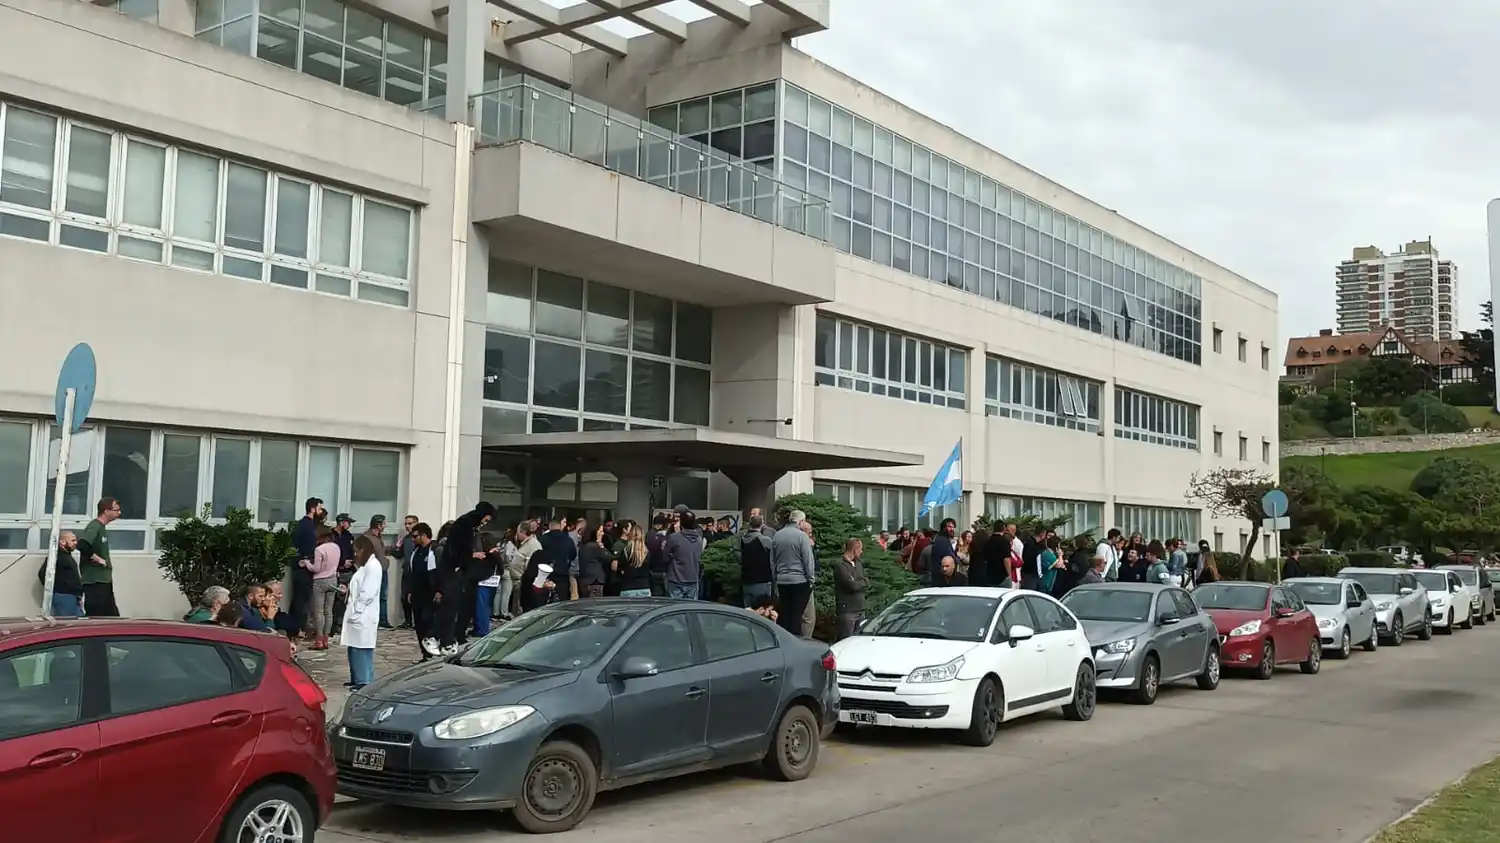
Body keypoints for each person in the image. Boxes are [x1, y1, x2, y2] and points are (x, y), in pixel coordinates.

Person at [447, 502, 496, 645]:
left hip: (472, 575)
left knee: (468, 606)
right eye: (485, 520)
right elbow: (459, 552)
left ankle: (460, 633)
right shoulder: (465, 528)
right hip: (463, 574)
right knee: (462, 607)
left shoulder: (475, 532)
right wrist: (472, 555)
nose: (484, 524)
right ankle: (456, 634)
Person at [342, 536, 384, 689]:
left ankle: (364, 680)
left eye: (357, 551)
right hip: (357, 612)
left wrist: (357, 612)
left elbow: (368, 592)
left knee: (362, 648)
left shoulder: (373, 566)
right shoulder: (364, 566)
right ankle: (357, 678)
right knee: (354, 647)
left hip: (363, 613)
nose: (355, 555)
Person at [772, 510, 816, 636]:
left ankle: (783, 639)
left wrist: (776, 578)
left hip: (782, 580)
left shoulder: (777, 536)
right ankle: (796, 642)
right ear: (800, 522)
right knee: (797, 616)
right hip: (799, 581)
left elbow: (773, 561)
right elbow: (808, 560)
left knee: (785, 615)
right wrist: (811, 579)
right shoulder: (802, 537)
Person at [78, 497, 123, 617]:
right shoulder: (95, 526)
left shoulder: (102, 528)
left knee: (112, 615)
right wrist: (97, 559)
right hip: (95, 581)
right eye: (116, 510)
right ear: (106, 511)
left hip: (104, 580)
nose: (119, 513)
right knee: (96, 615)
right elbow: (82, 544)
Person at [289, 497, 324, 638]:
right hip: (304, 568)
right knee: (302, 600)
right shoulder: (308, 526)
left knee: (298, 599)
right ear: (313, 509)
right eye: (320, 508)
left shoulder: (303, 524)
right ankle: (298, 629)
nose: (321, 511)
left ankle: (294, 627)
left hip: (299, 566)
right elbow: (309, 548)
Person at [408, 523, 440, 659]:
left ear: (424, 535)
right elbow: (412, 573)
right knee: (420, 626)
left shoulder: (435, 550)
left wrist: (439, 591)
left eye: (415, 536)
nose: (413, 539)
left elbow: (440, 573)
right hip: (417, 594)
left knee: (430, 625)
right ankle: (425, 654)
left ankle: (434, 653)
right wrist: (409, 591)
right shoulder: (416, 551)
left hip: (430, 594)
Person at [309, 525, 341, 650]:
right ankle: (326, 639)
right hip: (333, 579)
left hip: (320, 581)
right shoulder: (336, 547)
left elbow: (316, 568)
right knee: (329, 611)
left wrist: (307, 563)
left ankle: (319, 640)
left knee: (319, 612)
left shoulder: (319, 549)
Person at [39, 531, 84, 618]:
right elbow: (43, 573)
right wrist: (58, 588)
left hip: (72, 597)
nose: (76, 543)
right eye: (72, 540)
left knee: (77, 622)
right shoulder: (57, 556)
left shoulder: (66, 556)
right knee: (69, 624)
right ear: (62, 542)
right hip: (65, 597)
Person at [833, 537, 869, 641]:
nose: (861, 552)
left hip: (860, 609)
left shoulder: (859, 563)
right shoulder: (840, 565)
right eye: (860, 549)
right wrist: (860, 582)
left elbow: (866, 580)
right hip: (847, 610)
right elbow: (851, 586)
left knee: (859, 641)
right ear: (855, 549)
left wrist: (859, 581)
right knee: (846, 640)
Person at [363, 515, 395, 630]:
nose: (385, 526)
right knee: (374, 596)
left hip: (383, 570)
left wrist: (393, 548)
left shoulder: (378, 537)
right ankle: (375, 620)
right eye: (384, 524)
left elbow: (381, 551)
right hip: (374, 571)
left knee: (383, 596)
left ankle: (383, 620)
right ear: (378, 525)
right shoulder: (367, 537)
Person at [664, 512, 705, 599]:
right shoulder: (699, 540)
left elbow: (665, 557)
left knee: (674, 610)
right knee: (691, 609)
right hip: (693, 580)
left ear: (681, 523)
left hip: (675, 579)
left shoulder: (674, 537)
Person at [738, 514, 775, 607]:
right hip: (762, 582)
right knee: (762, 612)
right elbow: (773, 561)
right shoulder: (765, 541)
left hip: (746, 581)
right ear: (762, 524)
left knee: (747, 612)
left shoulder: (742, 540)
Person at [575, 525, 612, 600]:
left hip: (585, 580)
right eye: (600, 531)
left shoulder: (583, 546)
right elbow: (608, 557)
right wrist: (600, 544)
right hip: (595, 581)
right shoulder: (595, 547)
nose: (603, 534)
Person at [616, 521, 652, 597]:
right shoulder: (646, 551)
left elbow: (619, 568)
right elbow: (651, 568)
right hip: (643, 586)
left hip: (628, 586)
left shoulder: (625, 550)